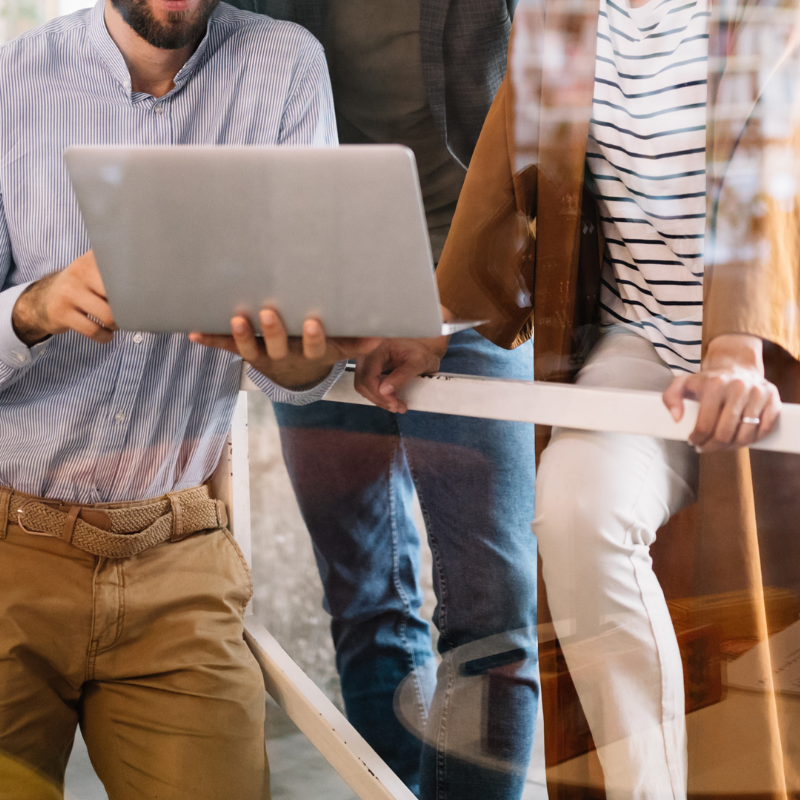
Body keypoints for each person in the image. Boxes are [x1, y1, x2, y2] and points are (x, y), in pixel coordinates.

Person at [355, 0, 800, 796]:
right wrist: (431, 323)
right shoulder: (561, 13)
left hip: (777, 348)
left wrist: (736, 340)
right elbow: (504, 170)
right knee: (573, 505)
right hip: (642, 345)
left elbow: (770, 169)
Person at [0, 1, 374, 797]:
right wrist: (31, 307)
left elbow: (296, 371)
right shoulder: (11, 80)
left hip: (179, 564)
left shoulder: (287, 67)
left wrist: (306, 360)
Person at [224, 2, 541, 798]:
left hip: (477, 295)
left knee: (490, 608)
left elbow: (556, 126)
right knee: (365, 599)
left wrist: (443, 305)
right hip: (318, 296)